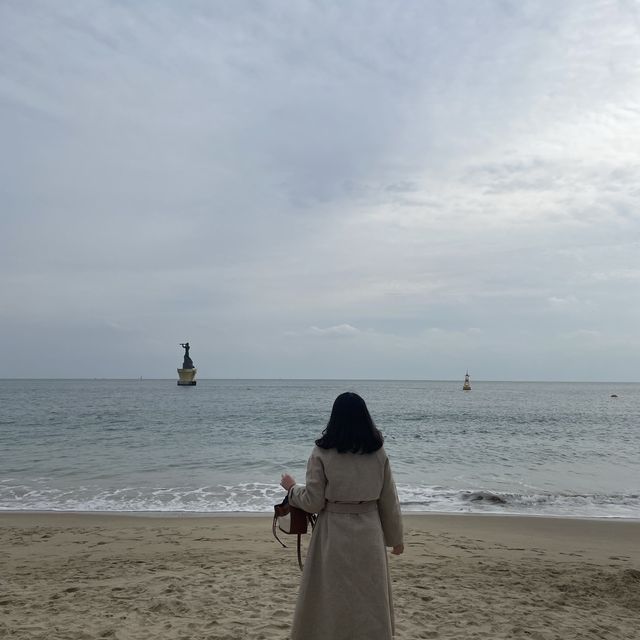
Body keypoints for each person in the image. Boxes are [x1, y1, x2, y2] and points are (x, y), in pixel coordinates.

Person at [280, 392, 404, 640]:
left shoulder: (321, 452)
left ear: (334, 418)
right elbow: (389, 499)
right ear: (365, 417)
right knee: (369, 599)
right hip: (369, 531)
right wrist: (396, 539)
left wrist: (291, 489)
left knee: (330, 598)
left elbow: (313, 502)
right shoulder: (377, 452)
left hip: (333, 532)